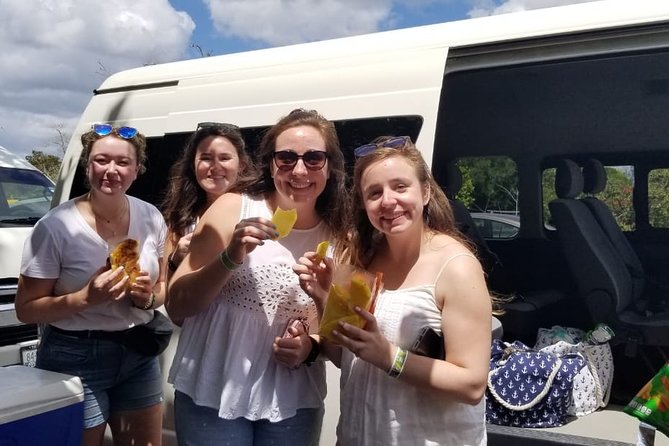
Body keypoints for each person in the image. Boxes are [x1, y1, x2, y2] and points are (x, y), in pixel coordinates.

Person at [166, 108, 350, 445]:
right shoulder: (233, 208)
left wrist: (310, 347)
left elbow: (341, 340)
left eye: (313, 158)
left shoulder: (342, 237)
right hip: (214, 389)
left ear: (330, 166)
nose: (299, 170)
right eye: (285, 158)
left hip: (293, 400)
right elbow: (177, 306)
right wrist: (230, 256)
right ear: (270, 163)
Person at [294, 136, 493, 445]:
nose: (387, 201)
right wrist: (322, 298)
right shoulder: (359, 259)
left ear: (425, 192)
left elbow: (471, 385)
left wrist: (388, 356)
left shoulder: (456, 267)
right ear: (363, 202)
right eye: (374, 192)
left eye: (400, 187)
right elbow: (343, 356)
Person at [15, 123, 168, 446]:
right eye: (101, 160)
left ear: (137, 170)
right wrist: (86, 297)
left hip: (138, 352)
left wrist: (146, 298)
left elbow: (162, 287)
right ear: (88, 166)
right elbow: (26, 310)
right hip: (74, 353)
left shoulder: (151, 217)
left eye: (123, 162)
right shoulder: (55, 227)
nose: (111, 170)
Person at [161, 122, 256, 283]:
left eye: (225, 158)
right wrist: (175, 259)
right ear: (193, 165)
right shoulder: (182, 217)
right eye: (206, 158)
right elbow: (166, 290)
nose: (215, 167)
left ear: (242, 165)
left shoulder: (257, 209)